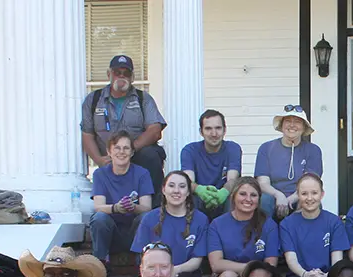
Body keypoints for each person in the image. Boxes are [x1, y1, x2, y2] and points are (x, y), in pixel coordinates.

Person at [81, 55, 167, 204]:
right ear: (109, 74)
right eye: (117, 72)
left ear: (132, 77)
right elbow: (87, 135)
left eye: (126, 73)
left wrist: (129, 149)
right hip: (108, 159)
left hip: (138, 157)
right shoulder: (93, 99)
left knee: (152, 154)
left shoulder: (143, 99)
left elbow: (155, 130)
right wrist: (99, 160)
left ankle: (154, 209)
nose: (121, 76)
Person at [208, 178, 280, 277]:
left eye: (253, 195)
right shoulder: (217, 224)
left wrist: (249, 271)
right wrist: (251, 266)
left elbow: (270, 265)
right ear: (233, 196)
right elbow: (216, 264)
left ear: (259, 199)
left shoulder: (268, 225)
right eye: (243, 194)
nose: (248, 199)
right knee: (229, 276)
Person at [131, 171, 209, 277]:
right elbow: (142, 258)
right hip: (155, 275)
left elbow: (196, 261)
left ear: (189, 192)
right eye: (171, 186)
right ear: (163, 189)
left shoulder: (200, 220)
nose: (176, 191)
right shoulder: (149, 218)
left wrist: (174, 271)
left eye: (182, 186)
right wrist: (162, 274)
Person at [280, 173, 349, 277]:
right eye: (304, 193)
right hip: (298, 275)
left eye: (314, 193)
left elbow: (337, 260)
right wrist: (304, 274)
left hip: (324, 276)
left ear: (322, 194)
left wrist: (328, 276)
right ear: (298, 195)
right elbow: (291, 259)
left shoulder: (333, 222)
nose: (310, 198)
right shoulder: (287, 224)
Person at [90, 131, 153, 266]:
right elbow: (98, 206)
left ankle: (142, 263)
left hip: (135, 232)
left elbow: (147, 207)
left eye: (126, 148)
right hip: (111, 233)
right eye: (117, 148)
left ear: (132, 152)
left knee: (147, 217)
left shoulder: (142, 173)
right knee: (99, 218)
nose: (121, 152)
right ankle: (100, 263)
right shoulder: (100, 174)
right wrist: (116, 208)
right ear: (109, 152)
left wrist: (133, 207)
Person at [256, 106, 324, 220]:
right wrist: (279, 196)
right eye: (288, 121)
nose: (292, 125)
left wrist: (290, 200)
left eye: (297, 122)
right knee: (263, 201)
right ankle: (264, 236)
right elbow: (263, 183)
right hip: (273, 197)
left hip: (299, 196)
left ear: (303, 128)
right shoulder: (266, 148)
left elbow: (310, 184)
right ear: (281, 126)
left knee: (309, 202)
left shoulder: (313, 150)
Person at [181, 109, 241, 219]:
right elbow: (188, 181)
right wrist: (200, 190)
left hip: (224, 198)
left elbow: (232, 179)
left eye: (218, 128)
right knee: (189, 198)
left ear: (224, 130)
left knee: (234, 198)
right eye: (208, 129)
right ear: (201, 131)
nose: (214, 134)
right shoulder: (189, 150)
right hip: (199, 200)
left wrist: (223, 192)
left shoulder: (233, 148)